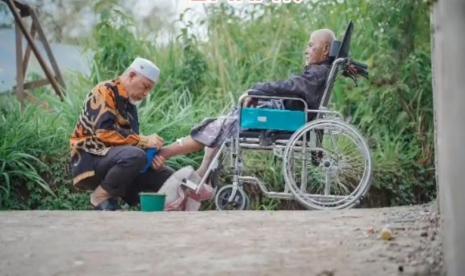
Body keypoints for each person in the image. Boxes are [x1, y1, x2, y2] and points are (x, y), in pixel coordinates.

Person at [153, 28, 337, 208]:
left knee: (219, 127)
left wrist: (257, 90)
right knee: (219, 126)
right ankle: (199, 175)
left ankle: (168, 154)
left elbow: (290, 87)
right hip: (283, 118)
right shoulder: (318, 72)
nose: (306, 49)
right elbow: (292, 88)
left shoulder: (317, 73)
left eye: (311, 45)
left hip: (282, 122)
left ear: (326, 49)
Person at [70, 57, 172, 210]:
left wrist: (153, 160)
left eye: (149, 90)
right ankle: (99, 197)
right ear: (131, 76)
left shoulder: (130, 106)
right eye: (145, 87)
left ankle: (134, 205)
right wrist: (145, 141)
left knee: (166, 176)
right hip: (89, 158)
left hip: (115, 159)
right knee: (135, 156)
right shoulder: (104, 90)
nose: (145, 94)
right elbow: (105, 133)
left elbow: (131, 141)